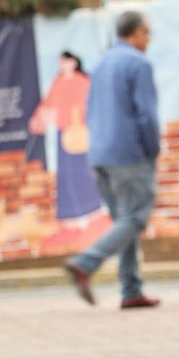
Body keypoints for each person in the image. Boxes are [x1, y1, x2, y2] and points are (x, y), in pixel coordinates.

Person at [64, 11, 162, 310]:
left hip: (100, 154)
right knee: (135, 218)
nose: (149, 40)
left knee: (124, 220)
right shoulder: (138, 63)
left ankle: (131, 290)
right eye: (148, 33)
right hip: (129, 154)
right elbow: (146, 114)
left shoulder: (101, 62)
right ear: (137, 33)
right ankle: (85, 262)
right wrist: (152, 150)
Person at [29, 51, 106, 232]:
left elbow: (93, 105)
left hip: (81, 133)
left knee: (84, 170)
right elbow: (47, 104)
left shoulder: (83, 81)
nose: (62, 65)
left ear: (73, 62)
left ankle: (93, 209)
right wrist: (39, 119)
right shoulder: (58, 82)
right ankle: (70, 214)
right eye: (60, 62)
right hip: (63, 133)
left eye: (64, 61)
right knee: (66, 173)